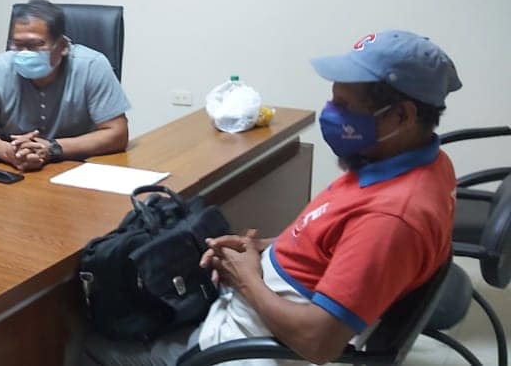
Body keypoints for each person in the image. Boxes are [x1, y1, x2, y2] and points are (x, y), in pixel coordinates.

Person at [85, 30, 462, 366]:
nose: (331, 114)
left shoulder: (391, 218)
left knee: (83, 346)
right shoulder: (414, 162)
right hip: (248, 316)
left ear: (401, 117)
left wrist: (247, 279)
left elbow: (318, 343)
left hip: (235, 348)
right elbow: (334, 245)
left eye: (345, 106)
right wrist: (262, 248)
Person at [0, 0, 131, 171]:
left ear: (63, 46)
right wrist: (9, 152)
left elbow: (118, 133)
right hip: (15, 167)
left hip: (77, 166)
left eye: (35, 45)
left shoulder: (92, 66)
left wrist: (53, 148)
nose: (24, 53)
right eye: (18, 45)